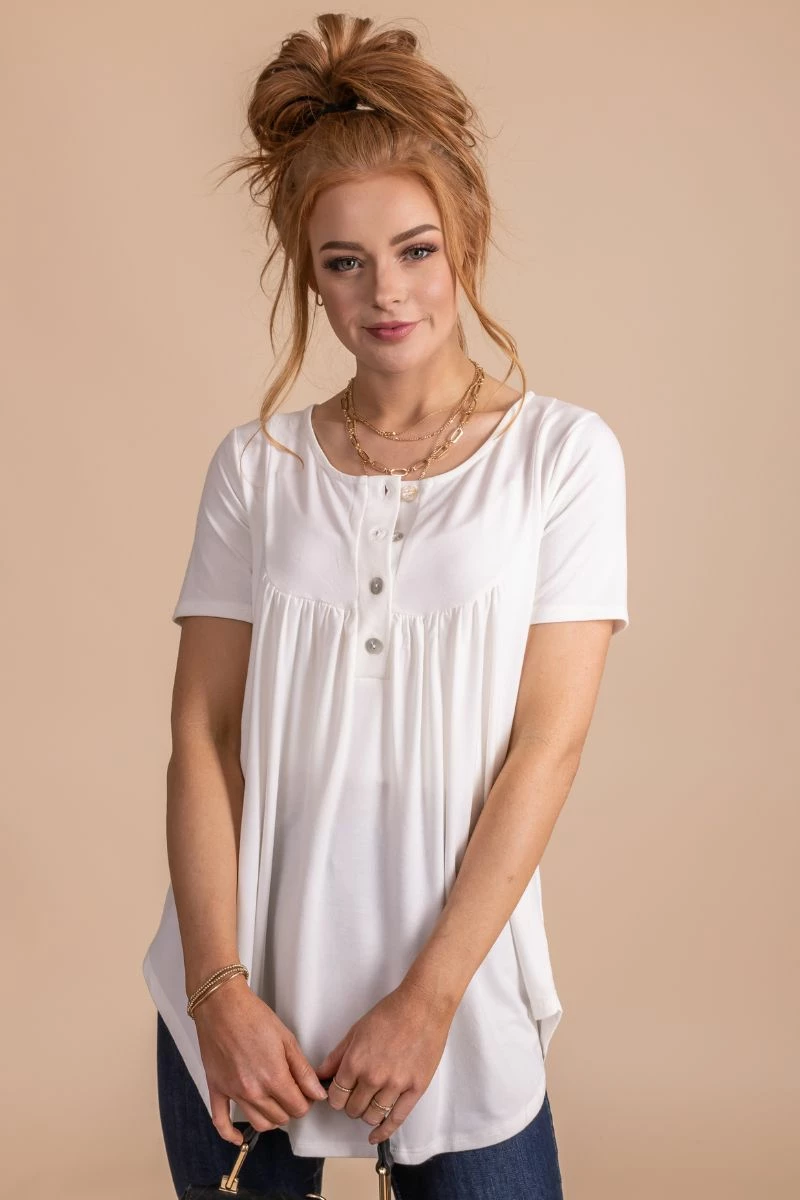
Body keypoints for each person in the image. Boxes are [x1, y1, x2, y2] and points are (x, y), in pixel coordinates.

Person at [142, 12, 629, 1199]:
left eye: (415, 249)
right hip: (241, 1002)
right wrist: (215, 993)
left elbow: (545, 747)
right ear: (309, 276)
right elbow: (202, 736)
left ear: (465, 237)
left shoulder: (560, 457)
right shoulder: (256, 466)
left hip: (452, 995)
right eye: (343, 262)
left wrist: (428, 1001)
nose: (385, 292)